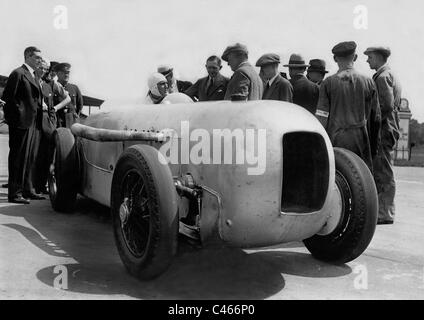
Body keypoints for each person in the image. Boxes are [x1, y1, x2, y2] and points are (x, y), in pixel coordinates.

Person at [316, 41, 381, 172]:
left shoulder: (328, 83)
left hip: (335, 140)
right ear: (355, 57)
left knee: (337, 178)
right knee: (362, 181)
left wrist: (319, 145)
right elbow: (376, 119)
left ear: (335, 59)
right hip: (361, 141)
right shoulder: (368, 82)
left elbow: (321, 118)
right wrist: (374, 148)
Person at [1, 46, 45, 203]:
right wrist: (17, 118)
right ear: (28, 57)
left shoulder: (33, 76)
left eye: (41, 58)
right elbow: (8, 99)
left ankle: (28, 190)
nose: (40, 60)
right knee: (18, 158)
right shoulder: (18, 73)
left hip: (32, 123)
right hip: (21, 123)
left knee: (29, 158)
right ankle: (15, 194)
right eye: (37, 58)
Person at [364, 46, 402, 225]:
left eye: (370, 57)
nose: (368, 61)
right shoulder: (390, 75)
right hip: (390, 128)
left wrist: (372, 124)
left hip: (384, 129)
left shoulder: (383, 77)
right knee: (384, 168)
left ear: (378, 57)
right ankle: (384, 209)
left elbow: (384, 106)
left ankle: (385, 212)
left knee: (384, 170)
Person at [34, 59, 70, 194]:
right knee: (35, 153)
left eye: (54, 71)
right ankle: (31, 185)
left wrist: (55, 107)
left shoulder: (53, 84)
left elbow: (68, 98)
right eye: (50, 70)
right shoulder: (37, 79)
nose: (51, 73)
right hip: (36, 119)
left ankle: (41, 186)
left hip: (49, 121)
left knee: (47, 153)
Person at [54, 62, 83, 128]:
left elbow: (80, 105)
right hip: (57, 122)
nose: (66, 74)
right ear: (57, 73)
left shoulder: (74, 88)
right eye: (64, 72)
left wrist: (76, 115)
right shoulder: (52, 87)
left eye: (68, 72)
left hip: (72, 122)